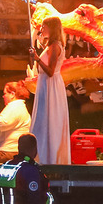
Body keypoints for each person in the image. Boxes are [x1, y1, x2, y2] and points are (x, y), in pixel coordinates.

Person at [29, 16, 71, 165]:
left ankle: (50, 157)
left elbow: (50, 71)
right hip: (45, 85)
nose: (41, 29)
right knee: (43, 119)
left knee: (49, 119)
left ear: (51, 28)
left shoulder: (55, 46)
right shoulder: (50, 45)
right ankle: (41, 154)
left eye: (43, 27)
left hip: (50, 86)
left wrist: (37, 58)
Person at [0, 82, 32, 162]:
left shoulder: (15, 107)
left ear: (12, 94)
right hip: (11, 150)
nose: (3, 96)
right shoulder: (18, 107)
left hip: (7, 151)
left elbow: (1, 123)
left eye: (5, 93)